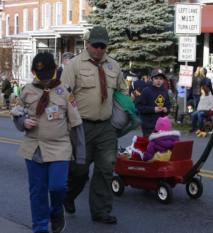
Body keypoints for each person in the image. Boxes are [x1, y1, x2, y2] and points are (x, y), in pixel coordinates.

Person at [10, 52, 85, 233]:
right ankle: (40, 227)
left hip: (60, 147)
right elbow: (17, 115)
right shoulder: (27, 91)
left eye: (47, 74)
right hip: (34, 148)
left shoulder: (65, 92)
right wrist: (23, 123)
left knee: (58, 187)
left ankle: (56, 210)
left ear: (54, 70)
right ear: (34, 72)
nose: (44, 79)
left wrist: (81, 157)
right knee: (38, 192)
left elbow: (76, 125)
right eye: (39, 74)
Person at [61, 26, 128, 224]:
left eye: (103, 46)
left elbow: (123, 91)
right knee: (79, 170)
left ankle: (101, 212)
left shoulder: (113, 66)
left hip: (106, 127)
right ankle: (68, 195)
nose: (99, 50)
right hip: (81, 126)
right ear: (87, 44)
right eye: (96, 45)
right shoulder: (74, 65)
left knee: (106, 169)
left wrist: (123, 112)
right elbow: (63, 94)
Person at [136, 68, 171, 137]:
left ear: (163, 80)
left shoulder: (164, 91)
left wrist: (166, 109)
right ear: (152, 79)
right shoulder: (146, 91)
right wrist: (153, 109)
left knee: (160, 146)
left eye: (161, 79)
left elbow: (168, 106)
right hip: (148, 125)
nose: (158, 81)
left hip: (161, 126)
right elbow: (139, 107)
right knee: (149, 145)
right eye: (156, 78)